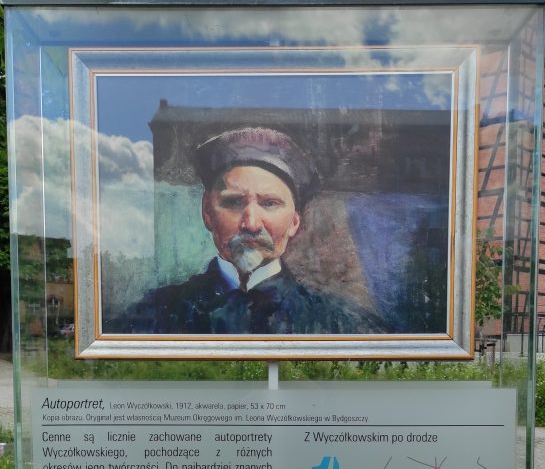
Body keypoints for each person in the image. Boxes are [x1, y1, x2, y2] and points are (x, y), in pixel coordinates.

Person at [111, 127, 386, 335]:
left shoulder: (343, 326)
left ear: (295, 221)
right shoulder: (151, 316)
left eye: (269, 203)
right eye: (233, 202)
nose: (251, 223)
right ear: (207, 212)